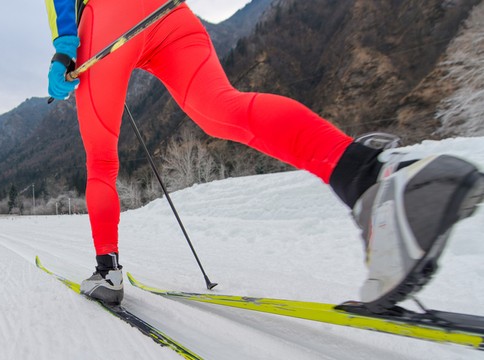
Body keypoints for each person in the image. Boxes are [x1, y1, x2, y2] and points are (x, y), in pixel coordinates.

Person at [43, 0, 484, 311]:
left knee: (101, 162)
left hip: (106, 20)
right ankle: (371, 178)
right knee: (224, 109)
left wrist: (64, 47)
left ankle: (107, 271)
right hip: (169, 11)